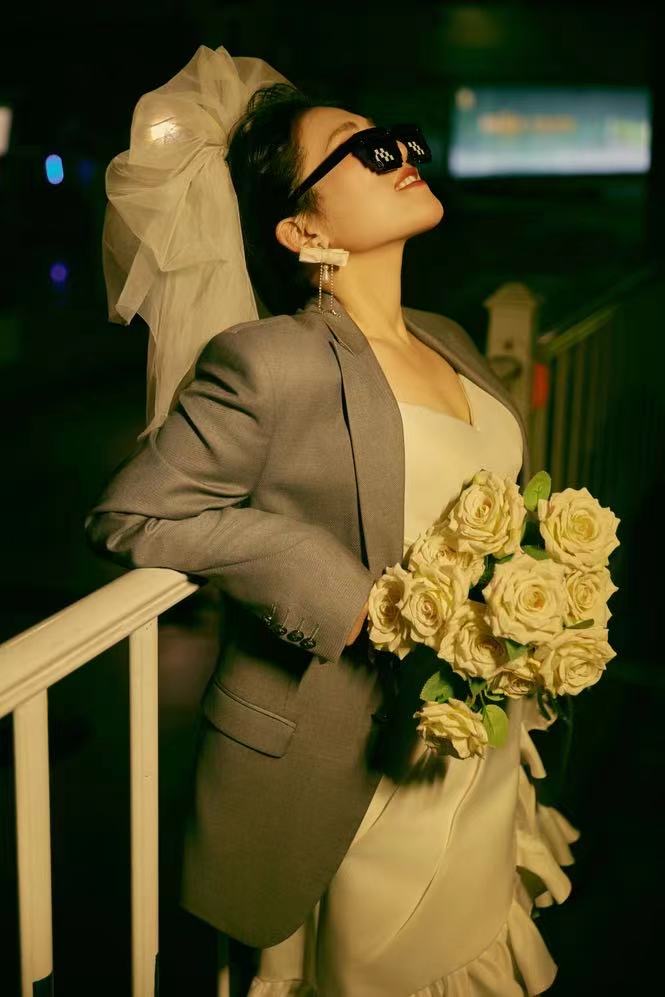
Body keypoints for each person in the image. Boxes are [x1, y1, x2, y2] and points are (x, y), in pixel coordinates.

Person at [84, 44, 580, 996]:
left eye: (399, 141)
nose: (402, 155)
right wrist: (327, 583)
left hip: (475, 749)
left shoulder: (449, 337)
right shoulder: (271, 362)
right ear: (301, 226)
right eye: (364, 148)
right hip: (357, 768)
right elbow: (130, 512)